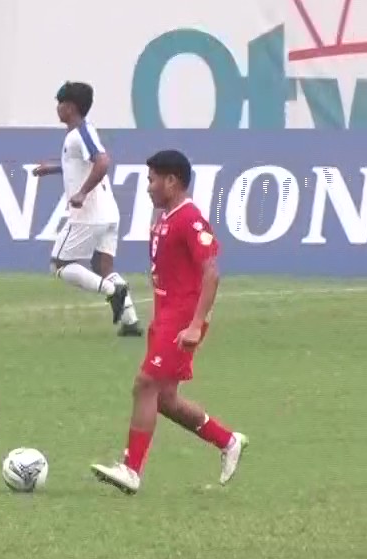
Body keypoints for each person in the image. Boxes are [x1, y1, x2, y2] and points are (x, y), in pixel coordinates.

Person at [90, 150, 246, 495]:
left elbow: (211, 273)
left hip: (182, 321)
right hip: (165, 318)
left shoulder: (190, 219)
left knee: (145, 385)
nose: (148, 187)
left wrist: (195, 325)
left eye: (152, 180)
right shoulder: (165, 218)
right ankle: (228, 441)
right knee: (164, 399)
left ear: (171, 181)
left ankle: (131, 470)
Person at [32, 81, 141, 336]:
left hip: (90, 215)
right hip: (108, 213)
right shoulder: (82, 132)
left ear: (70, 107)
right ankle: (130, 322)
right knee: (103, 267)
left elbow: (102, 161)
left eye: (60, 103)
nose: (57, 108)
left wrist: (82, 192)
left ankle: (112, 291)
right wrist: (53, 168)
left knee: (59, 265)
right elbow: (82, 165)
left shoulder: (80, 133)